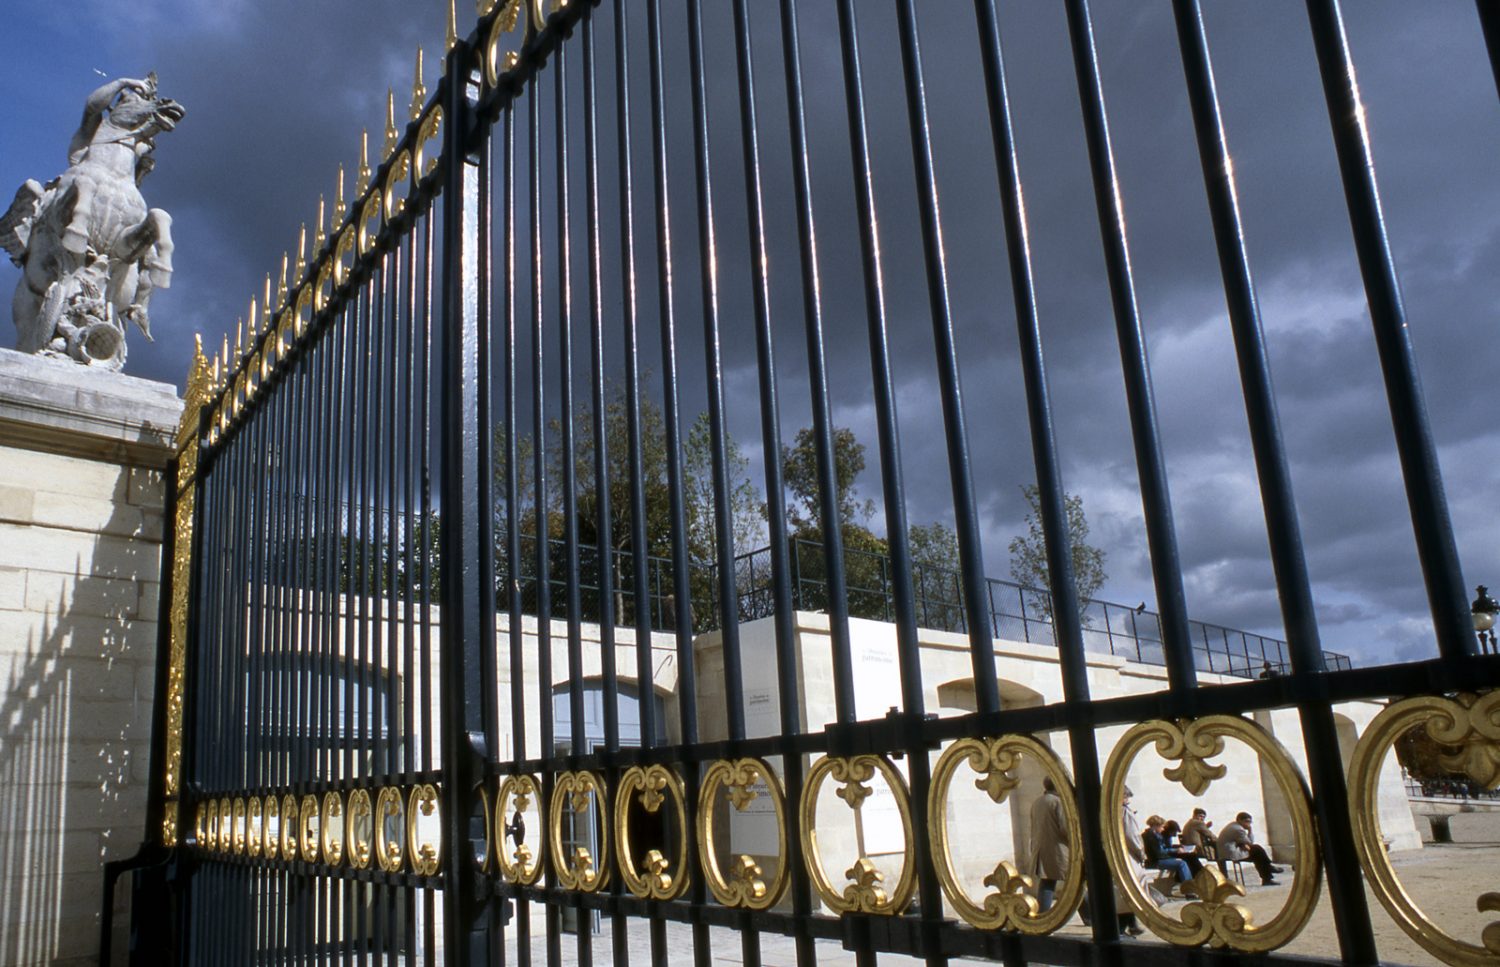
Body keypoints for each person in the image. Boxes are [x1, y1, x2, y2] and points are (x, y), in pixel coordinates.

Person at [1027, 776, 1069, 913]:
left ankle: (1042, 913)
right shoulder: (1058, 802)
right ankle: (1089, 916)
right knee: (1074, 882)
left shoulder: (1038, 802)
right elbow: (1065, 828)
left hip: (1041, 848)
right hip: (1058, 850)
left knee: (1048, 882)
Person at [1216, 812, 1282, 885]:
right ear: (1239, 820)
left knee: (1257, 853)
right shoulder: (1238, 829)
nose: (1248, 824)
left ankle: (1268, 872)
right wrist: (1250, 830)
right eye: (1246, 822)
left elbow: (1242, 842)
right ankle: (1268, 873)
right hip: (1230, 853)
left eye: (1249, 822)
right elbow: (1250, 842)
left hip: (1226, 851)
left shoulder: (1233, 825)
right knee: (1257, 851)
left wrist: (1243, 844)